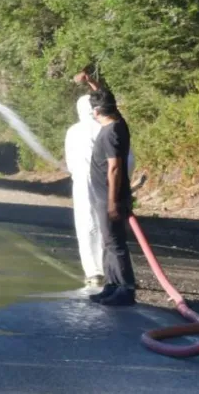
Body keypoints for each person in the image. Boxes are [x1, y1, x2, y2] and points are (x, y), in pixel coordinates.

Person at [87, 89, 136, 306]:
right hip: (105, 196)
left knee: (115, 243)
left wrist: (112, 202)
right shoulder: (118, 124)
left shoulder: (110, 133)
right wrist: (91, 83)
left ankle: (126, 289)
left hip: (110, 197)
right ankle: (112, 285)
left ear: (97, 111)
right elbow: (105, 97)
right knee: (108, 242)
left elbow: (114, 168)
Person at [64, 95, 105, 287]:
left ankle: (94, 272)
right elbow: (128, 159)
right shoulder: (107, 128)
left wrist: (77, 174)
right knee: (107, 224)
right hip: (107, 180)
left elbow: (70, 161)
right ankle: (110, 268)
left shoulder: (73, 131)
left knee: (86, 223)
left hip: (82, 181)